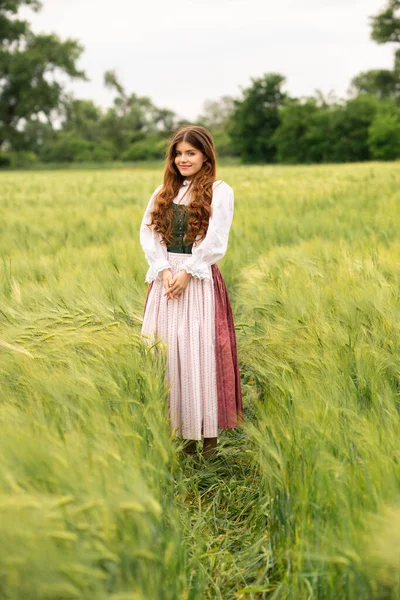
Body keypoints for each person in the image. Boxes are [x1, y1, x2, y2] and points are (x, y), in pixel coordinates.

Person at [140, 125, 243, 460]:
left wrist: (186, 272)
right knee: (169, 355)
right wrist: (165, 269)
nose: (183, 159)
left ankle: (208, 442)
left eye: (191, 153)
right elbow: (150, 234)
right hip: (165, 278)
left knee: (199, 354)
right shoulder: (163, 191)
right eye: (178, 153)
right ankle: (181, 439)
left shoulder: (219, 191)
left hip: (197, 280)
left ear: (205, 155)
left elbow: (216, 239)